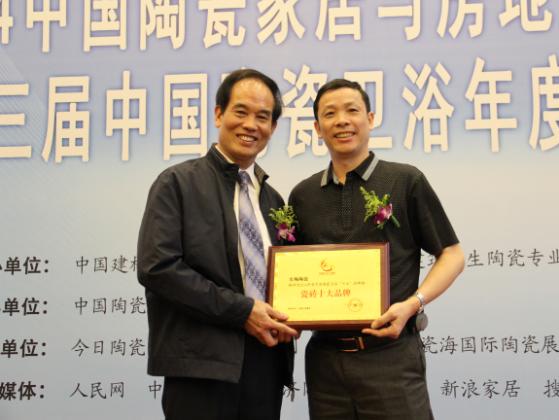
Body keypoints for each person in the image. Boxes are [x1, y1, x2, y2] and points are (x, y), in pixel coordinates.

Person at [288, 79, 465, 420]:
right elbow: (292, 275)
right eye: (330, 114)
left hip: (391, 356)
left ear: (370, 119)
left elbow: (452, 255)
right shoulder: (302, 195)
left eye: (352, 110)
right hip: (325, 363)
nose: (342, 120)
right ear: (317, 129)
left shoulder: (405, 180)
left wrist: (413, 304)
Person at [137, 68, 298, 420]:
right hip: (201, 367)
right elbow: (158, 268)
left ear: (272, 127)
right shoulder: (177, 183)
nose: (251, 125)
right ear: (218, 114)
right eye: (241, 111)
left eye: (263, 117)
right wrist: (243, 312)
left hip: (266, 361)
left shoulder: (273, 200)